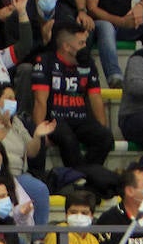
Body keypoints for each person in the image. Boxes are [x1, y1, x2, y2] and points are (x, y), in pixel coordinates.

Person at [33, 22, 119, 197]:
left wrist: (102, 126)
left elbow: (95, 98)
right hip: (56, 119)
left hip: (80, 118)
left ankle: (82, 180)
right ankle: (88, 181)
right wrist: (40, 133)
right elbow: (40, 101)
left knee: (105, 138)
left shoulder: (88, 64)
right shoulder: (45, 62)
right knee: (67, 138)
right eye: (81, 43)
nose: (85, 47)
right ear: (66, 46)